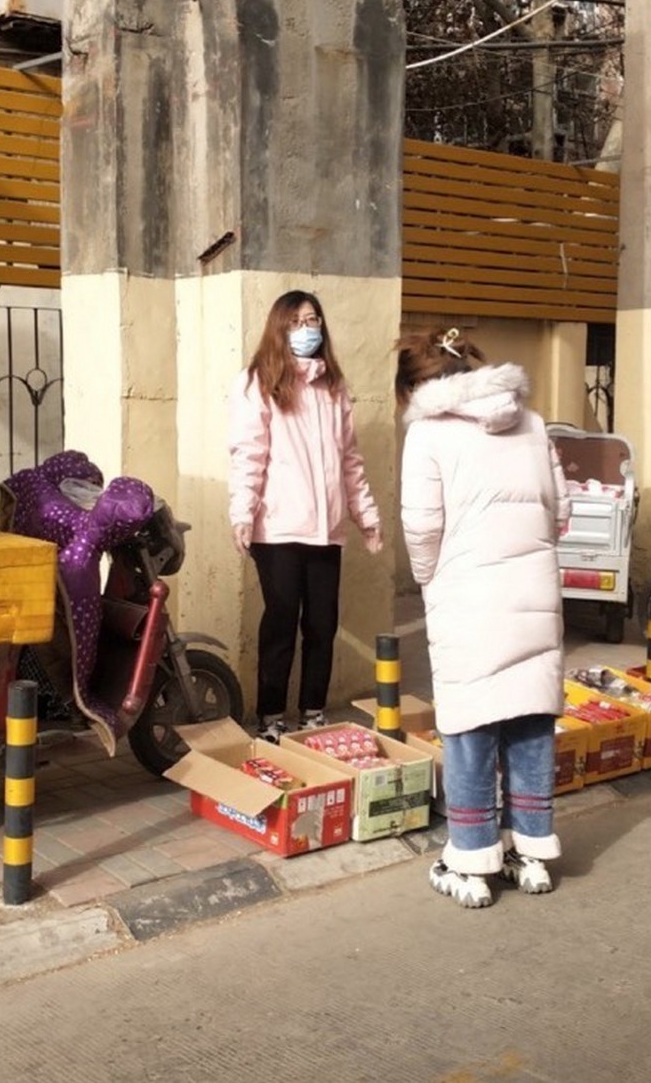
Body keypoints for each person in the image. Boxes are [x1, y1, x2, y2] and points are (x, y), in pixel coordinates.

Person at [397, 328, 566, 907]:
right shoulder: (534, 423)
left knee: (470, 723)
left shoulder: (427, 433)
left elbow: (422, 527)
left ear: (415, 387)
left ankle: (471, 859)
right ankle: (533, 852)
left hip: (467, 591)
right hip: (534, 588)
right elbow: (560, 510)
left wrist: (429, 577)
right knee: (528, 718)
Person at [229, 291, 382, 744]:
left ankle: (313, 712)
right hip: (276, 529)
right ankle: (271, 716)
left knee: (322, 625)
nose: (307, 329)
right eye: (296, 321)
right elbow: (248, 454)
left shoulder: (334, 388)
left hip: (326, 531)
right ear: (280, 328)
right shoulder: (258, 382)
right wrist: (242, 513)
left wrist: (366, 517)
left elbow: (349, 460)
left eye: (313, 319)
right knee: (280, 622)